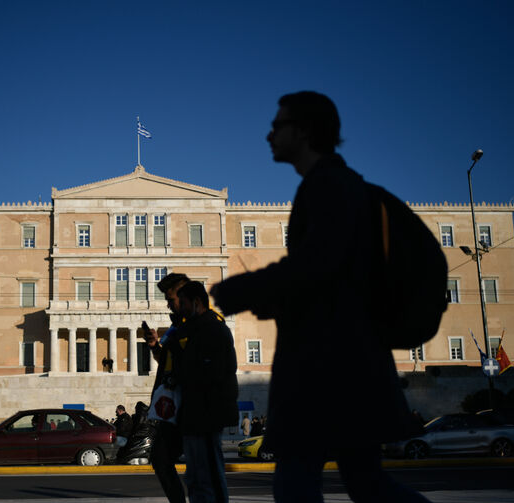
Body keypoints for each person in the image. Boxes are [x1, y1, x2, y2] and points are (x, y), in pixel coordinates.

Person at [210, 91, 429, 503]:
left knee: (297, 482)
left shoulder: (328, 186)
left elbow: (318, 264)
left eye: (278, 125)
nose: (269, 135)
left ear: (305, 131)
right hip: (347, 358)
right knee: (366, 483)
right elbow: (329, 277)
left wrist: (242, 288)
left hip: (327, 363)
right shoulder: (335, 185)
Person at [174, 280, 238, 503]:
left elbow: (215, 373)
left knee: (206, 476)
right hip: (197, 415)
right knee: (199, 476)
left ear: (197, 302)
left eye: (183, 303)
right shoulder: (197, 330)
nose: (179, 308)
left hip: (205, 415)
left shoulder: (212, 330)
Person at [145, 272, 190, 503]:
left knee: (202, 470)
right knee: (160, 458)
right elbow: (166, 362)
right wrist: (154, 346)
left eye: (171, 299)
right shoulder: (175, 329)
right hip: (172, 408)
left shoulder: (198, 326)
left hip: (192, 407)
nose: (168, 304)